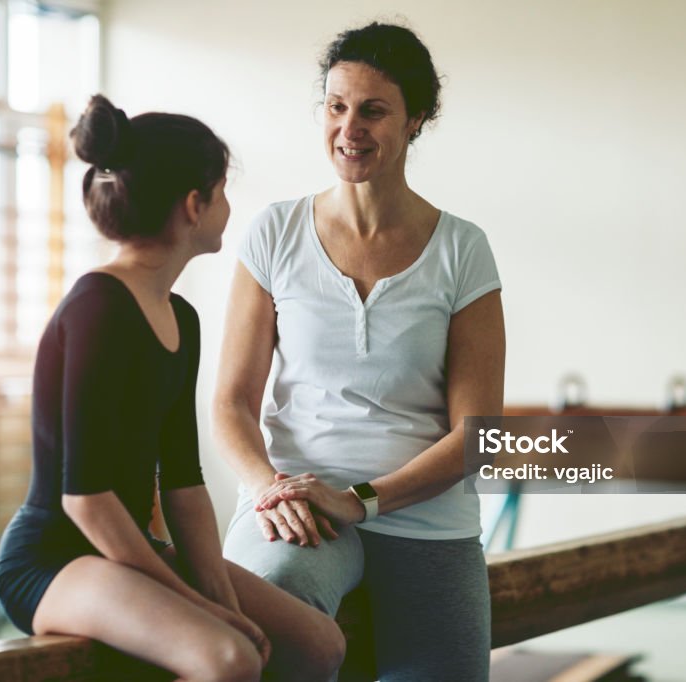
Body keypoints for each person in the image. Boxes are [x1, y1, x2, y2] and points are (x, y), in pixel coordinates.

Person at [0, 95, 345, 682]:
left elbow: (183, 483)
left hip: (131, 550)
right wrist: (203, 609)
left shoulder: (181, 317)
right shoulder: (97, 308)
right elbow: (85, 497)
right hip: (56, 558)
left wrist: (224, 600)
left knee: (319, 643)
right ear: (194, 205)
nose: (227, 205)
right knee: (226, 658)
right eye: (222, 189)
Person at [214, 22, 505, 681]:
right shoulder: (275, 233)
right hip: (299, 510)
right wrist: (269, 489)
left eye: (374, 110)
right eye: (337, 106)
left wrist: (364, 499)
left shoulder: (462, 249)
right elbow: (231, 402)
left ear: (417, 120)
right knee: (270, 627)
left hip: (427, 521)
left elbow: (478, 436)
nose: (350, 128)